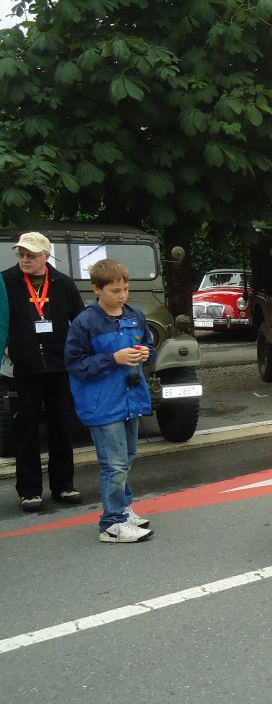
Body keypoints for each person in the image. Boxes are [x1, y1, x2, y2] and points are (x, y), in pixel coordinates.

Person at [64, 259, 156, 542]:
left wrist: (145, 353)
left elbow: (150, 344)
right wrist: (113, 359)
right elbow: (74, 363)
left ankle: (124, 509)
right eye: (115, 290)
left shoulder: (134, 314)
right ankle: (111, 524)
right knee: (113, 464)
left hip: (130, 399)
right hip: (102, 404)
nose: (122, 295)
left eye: (126, 289)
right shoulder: (85, 322)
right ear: (97, 289)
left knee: (126, 458)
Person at [2, 231, 85, 512]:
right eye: (21, 254)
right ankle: (29, 490)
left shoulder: (63, 284)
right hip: (23, 368)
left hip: (59, 366)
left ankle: (63, 485)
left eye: (31, 255)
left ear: (46, 257)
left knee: (61, 424)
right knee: (25, 427)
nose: (24, 259)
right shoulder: (5, 281)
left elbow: (81, 321)